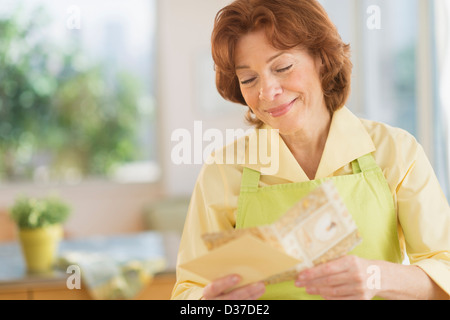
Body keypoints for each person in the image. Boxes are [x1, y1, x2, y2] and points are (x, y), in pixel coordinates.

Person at [171, 0, 450, 300]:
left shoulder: (395, 151)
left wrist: (376, 277)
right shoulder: (224, 170)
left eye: (282, 67)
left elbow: (444, 268)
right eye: (248, 79)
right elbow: (188, 288)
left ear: (321, 59)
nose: (267, 92)